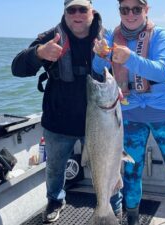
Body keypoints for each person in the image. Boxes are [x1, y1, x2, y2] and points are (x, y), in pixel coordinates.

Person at [11, 0, 122, 223]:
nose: (77, 14)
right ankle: (55, 200)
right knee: (54, 168)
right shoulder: (51, 37)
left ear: (92, 11)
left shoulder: (107, 37)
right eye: (72, 10)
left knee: (110, 161)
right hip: (59, 119)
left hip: (101, 122)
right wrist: (39, 53)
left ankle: (113, 205)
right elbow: (17, 68)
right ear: (65, 12)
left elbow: (125, 69)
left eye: (83, 9)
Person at [92, 0, 165, 224]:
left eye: (137, 9)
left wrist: (130, 58)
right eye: (125, 9)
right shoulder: (112, 36)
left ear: (146, 10)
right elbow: (96, 71)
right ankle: (131, 219)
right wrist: (98, 54)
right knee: (131, 172)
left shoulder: (160, 36)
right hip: (130, 114)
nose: (130, 14)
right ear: (119, 11)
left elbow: (162, 71)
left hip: (164, 113)